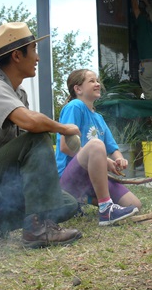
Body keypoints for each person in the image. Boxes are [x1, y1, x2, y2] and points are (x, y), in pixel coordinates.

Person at [0, 22, 83, 248]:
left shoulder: (18, 93)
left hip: (3, 180)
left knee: (67, 204)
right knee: (38, 136)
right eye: (34, 51)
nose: (38, 58)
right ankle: (35, 231)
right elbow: (30, 123)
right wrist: (63, 128)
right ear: (17, 55)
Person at [56, 69, 141, 226]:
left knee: (134, 204)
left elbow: (112, 147)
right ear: (78, 89)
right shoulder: (74, 107)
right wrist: (104, 159)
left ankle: (81, 199)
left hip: (92, 178)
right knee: (96, 145)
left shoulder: (98, 118)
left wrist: (119, 159)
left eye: (97, 81)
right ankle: (105, 208)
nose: (97, 84)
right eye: (92, 81)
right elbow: (65, 146)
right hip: (69, 178)